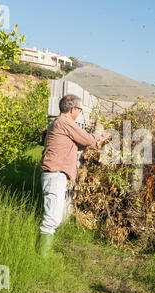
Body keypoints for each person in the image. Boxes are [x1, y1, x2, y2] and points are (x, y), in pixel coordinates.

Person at [38, 94, 107, 259]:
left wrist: (96, 141)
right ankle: (43, 257)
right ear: (73, 109)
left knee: (56, 216)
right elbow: (87, 139)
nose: (79, 112)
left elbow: (80, 144)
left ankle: (45, 254)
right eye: (79, 109)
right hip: (54, 174)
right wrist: (97, 133)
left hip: (56, 174)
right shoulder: (64, 122)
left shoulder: (62, 124)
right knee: (52, 218)